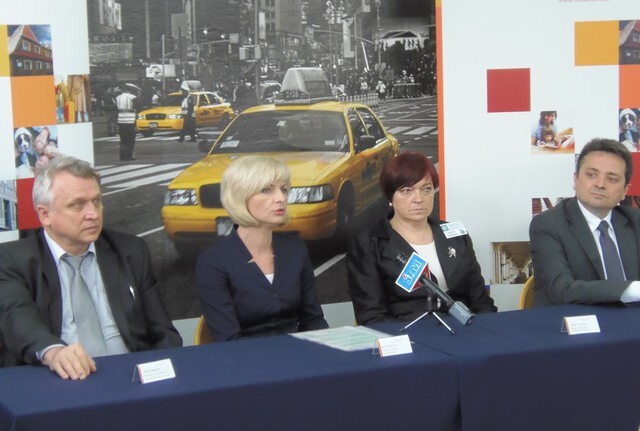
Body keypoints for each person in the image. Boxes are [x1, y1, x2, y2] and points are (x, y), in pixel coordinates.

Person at [0, 156, 182, 379]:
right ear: (45, 214)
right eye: (78, 205)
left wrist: (162, 380)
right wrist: (54, 352)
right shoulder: (13, 260)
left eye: (96, 201)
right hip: (59, 379)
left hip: (131, 377)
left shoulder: (130, 251)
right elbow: (17, 321)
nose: (93, 214)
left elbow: (163, 332)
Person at [347, 151, 497, 325]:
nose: (418, 199)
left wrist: (489, 331)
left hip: (464, 330)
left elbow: (480, 302)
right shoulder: (369, 244)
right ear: (390, 197)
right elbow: (372, 316)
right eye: (407, 191)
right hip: (408, 333)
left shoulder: (456, 235)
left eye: (426, 189)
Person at [196, 155, 328, 342]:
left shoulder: (295, 249)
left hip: (298, 354)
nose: (281, 198)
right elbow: (229, 340)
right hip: (244, 358)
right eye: (266, 190)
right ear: (240, 197)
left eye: (284, 189)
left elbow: (313, 320)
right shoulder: (213, 262)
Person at [530, 138, 640, 306]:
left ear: (625, 190)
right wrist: (631, 289)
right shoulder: (548, 225)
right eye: (591, 175)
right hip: (573, 319)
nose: (600, 184)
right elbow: (563, 290)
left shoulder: (635, 220)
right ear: (576, 180)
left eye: (612, 179)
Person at [115, 85, 138, 161]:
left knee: (123, 139)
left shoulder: (118, 97)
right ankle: (129, 155)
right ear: (130, 90)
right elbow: (136, 107)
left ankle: (122, 155)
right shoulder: (132, 97)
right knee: (130, 139)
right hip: (130, 119)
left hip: (121, 120)